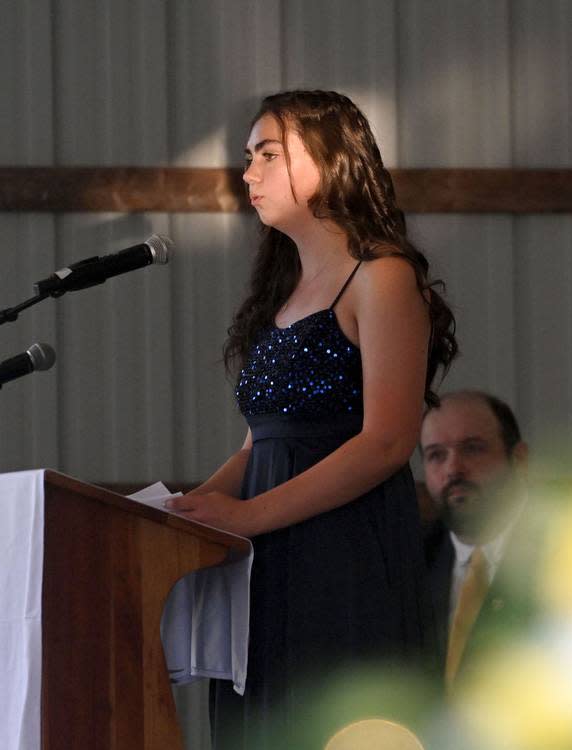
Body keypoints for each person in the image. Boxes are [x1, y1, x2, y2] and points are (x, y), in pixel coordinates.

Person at [165, 89, 457, 748]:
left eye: (267, 154)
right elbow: (260, 441)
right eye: (248, 158)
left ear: (328, 161)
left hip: (343, 551)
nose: (248, 175)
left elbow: (386, 441)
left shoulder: (381, 277)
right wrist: (199, 504)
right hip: (264, 554)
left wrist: (247, 516)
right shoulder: (282, 293)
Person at [419, 390, 528, 690]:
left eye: (473, 449)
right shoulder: (411, 563)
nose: (453, 469)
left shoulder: (569, 553)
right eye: (436, 455)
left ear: (519, 459)